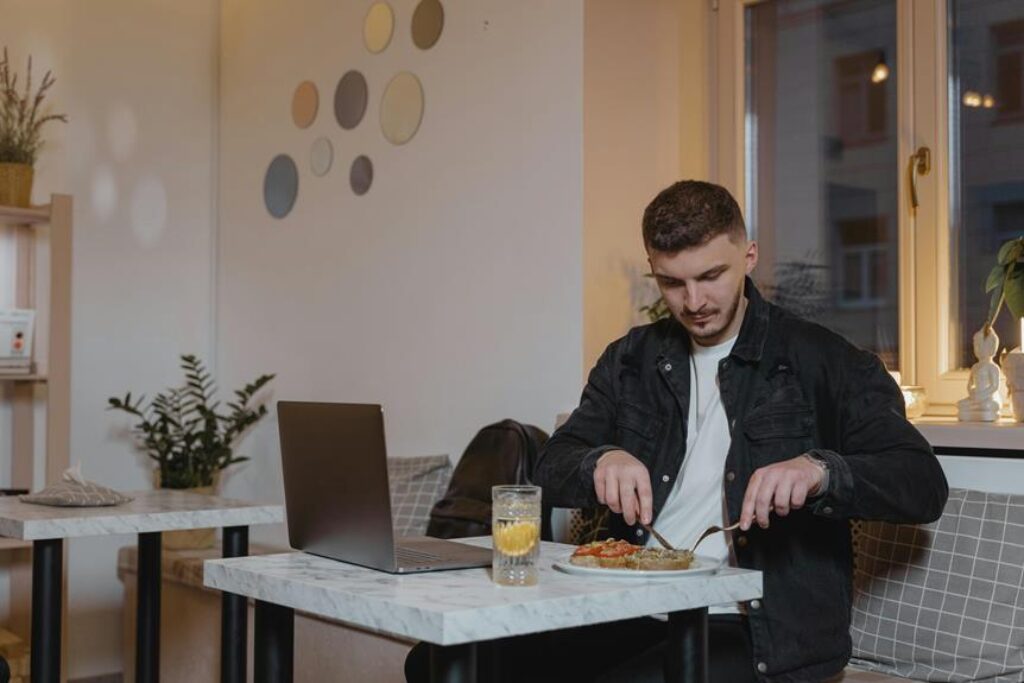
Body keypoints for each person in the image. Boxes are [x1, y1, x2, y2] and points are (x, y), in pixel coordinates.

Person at [405, 180, 948, 682]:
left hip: (752, 627)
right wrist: (600, 460)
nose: (694, 302)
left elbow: (921, 483)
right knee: (435, 663)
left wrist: (820, 471)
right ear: (654, 271)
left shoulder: (825, 361)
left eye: (711, 276)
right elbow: (552, 467)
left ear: (748, 257)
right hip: (630, 605)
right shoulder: (629, 360)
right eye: (672, 282)